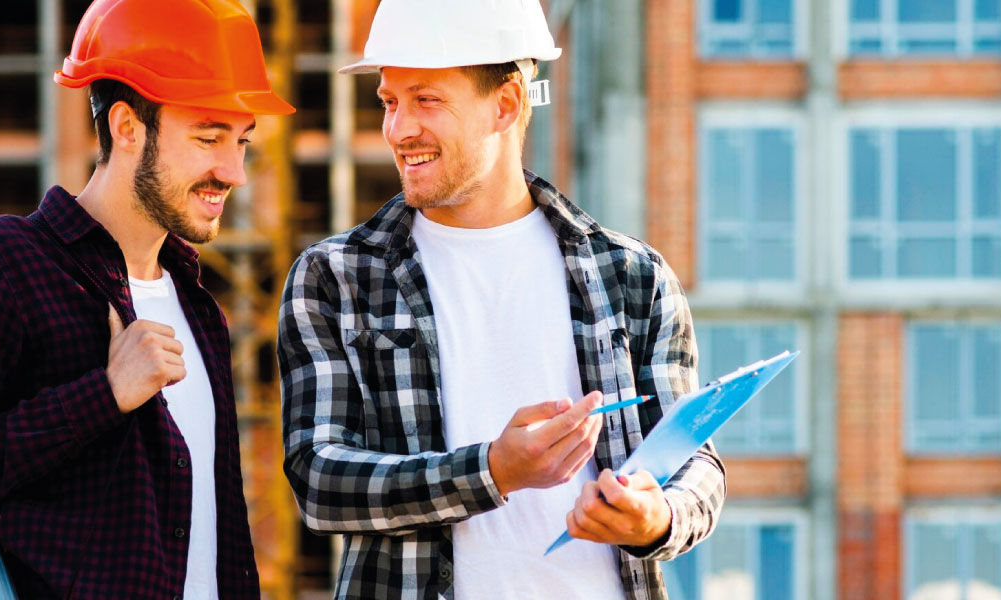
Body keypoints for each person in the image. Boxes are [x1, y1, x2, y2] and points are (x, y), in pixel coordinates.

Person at [277, 1, 725, 598]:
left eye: (426, 99)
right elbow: (318, 479)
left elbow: (697, 462)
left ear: (507, 103)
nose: (398, 128)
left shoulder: (631, 275)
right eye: (389, 101)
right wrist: (490, 471)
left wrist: (657, 517)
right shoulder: (336, 278)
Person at [0, 1, 293, 597]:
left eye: (242, 142)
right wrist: (103, 395)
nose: (235, 172)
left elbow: (217, 532)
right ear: (127, 128)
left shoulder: (199, 308)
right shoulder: (3, 263)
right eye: (208, 138)